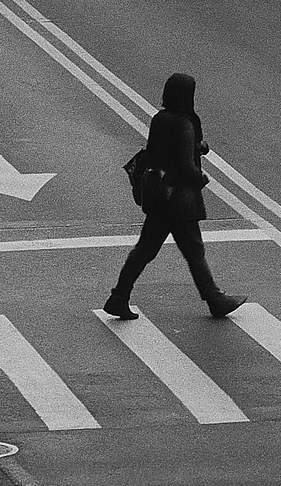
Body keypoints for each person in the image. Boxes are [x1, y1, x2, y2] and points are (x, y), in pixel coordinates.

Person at [104, 73, 248, 320]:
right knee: (193, 250)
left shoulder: (159, 119)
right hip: (180, 200)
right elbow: (186, 166)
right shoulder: (185, 122)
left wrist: (196, 147)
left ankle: (119, 297)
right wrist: (201, 178)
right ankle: (215, 300)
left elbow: (157, 151)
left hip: (159, 195)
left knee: (145, 250)